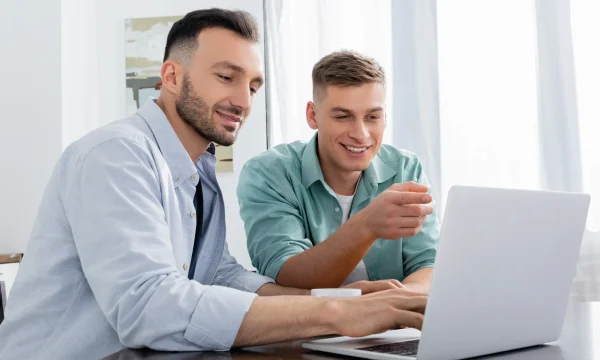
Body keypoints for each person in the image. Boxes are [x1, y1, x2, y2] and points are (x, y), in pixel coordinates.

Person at [0, 9, 428, 360]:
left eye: (253, 85)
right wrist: (334, 311)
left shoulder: (196, 169)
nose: (243, 101)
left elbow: (218, 274)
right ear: (171, 76)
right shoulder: (116, 154)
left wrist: (342, 298)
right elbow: (148, 306)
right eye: (227, 76)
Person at [238, 50, 440, 293]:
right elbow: (285, 273)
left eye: (373, 116)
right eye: (343, 116)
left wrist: (396, 302)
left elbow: (429, 264)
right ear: (313, 115)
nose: (361, 134)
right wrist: (366, 225)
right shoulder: (269, 173)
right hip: (309, 329)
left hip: (398, 327)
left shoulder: (405, 168)